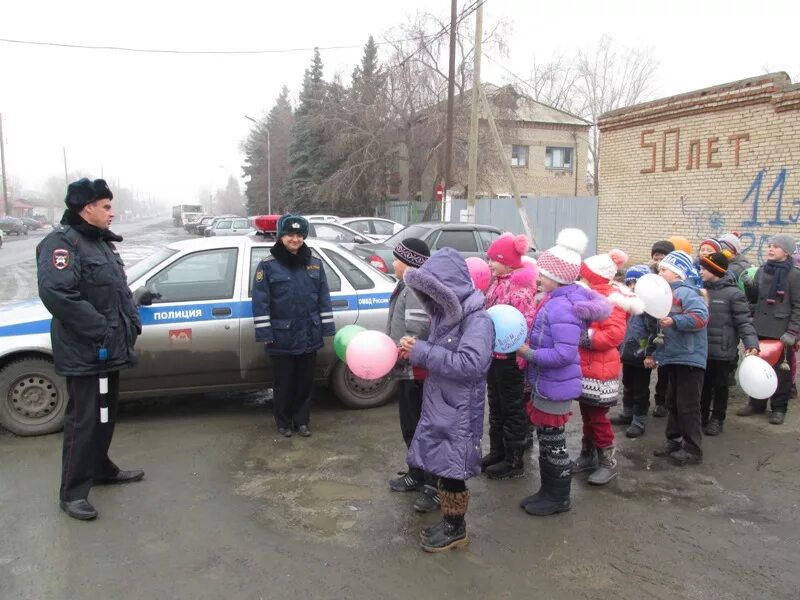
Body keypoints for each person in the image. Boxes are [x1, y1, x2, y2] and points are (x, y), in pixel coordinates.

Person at [36, 178, 143, 521]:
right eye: (106, 206)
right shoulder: (63, 244)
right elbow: (58, 295)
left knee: (105, 415)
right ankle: (72, 492)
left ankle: (101, 469)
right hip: (85, 352)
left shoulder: (99, 244)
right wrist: (101, 330)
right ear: (87, 208)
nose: (112, 212)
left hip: (108, 350)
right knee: (83, 422)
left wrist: (133, 318)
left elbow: (114, 292)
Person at [400, 248, 494, 552]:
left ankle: (456, 528)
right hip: (442, 402)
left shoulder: (477, 321)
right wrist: (418, 346)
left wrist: (422, 352)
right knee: (443, 464)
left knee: (453, 468)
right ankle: (450, 522)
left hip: (460, 408)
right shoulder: (447, 315)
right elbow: (446, 353)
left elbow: (470, 364)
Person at [516, 228, 610, 516]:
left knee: (553, 443)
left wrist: (527, 352)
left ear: (557, 277)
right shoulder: (557, 301)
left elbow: (563, 353)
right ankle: (549, 491)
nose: (538, 278)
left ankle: (558, 498)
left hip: (554, 384)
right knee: (548, 440)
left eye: (542, 273)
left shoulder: (560, 308)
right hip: (550, 383)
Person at [252, 214, 334, 437]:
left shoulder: (315, 265)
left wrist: (326, 328)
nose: (295, 239)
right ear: (281, 237)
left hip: (309, 334)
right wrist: (265, 332)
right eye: (290, 234)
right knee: (284, 384)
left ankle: (302, 421)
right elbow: (260, 303)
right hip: (281, 336)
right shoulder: (267, 266)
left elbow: (323, 299)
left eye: (299, 235)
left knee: (305, 383)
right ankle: (284, 423)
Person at [572, 250, 644, 485]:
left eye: (583, 276)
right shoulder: (589, 295)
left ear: (594, 278)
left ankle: (607, 461)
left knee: (598, 417)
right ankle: (587, 454)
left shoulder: (612, 301)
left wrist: (584, 337)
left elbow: (614, 335)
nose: (580, 279)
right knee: (587, 414)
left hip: (601, 371)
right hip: (587, 367)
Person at [385, 237, 437, 513]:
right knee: (409, 425)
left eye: (396, 259)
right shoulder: (405, 284)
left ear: (410, 262)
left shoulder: (416, 287)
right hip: (407, 370)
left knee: (421, 427)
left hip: (418, 371)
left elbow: (417, 330)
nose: (392, 263)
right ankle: (415, 473)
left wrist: (401, 349)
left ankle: (433, 484)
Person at [482, 233, 538, 480]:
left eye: (494, 259)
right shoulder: (496, 282)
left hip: (510, 359)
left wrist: (519, 354)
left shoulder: (520, 288)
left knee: (512, 409)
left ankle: (514, 460)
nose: (490, 264)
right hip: (493, 356)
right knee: (495, 405)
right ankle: (497, 451)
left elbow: (525, 323)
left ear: (508, 261)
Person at [647, 250, 709, 466]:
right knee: (672, 401)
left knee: (688, 405)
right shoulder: (663, 294)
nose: (660, 272)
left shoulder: (686, 293)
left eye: (664, 269)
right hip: (673, 356)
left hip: (689, 358)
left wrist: (676, 322)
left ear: (678, 273)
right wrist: (655, 353)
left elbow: (701, 318)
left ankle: (693, 449)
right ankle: (673, 441)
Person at [738, 234, 800, 425]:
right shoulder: (762, 271)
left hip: (782, 332)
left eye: (776, 247)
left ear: (787, 251)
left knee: (781, 371)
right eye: (770, 246)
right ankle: (756, 403)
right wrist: (750, 289)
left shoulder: (795, 275)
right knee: (756, 368)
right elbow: (755, 301)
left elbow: (798, 306)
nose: (771, 249)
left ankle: (779, 408)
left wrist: (792, 332)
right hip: (759, 328)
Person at [698, 252, 759, 435]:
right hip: (702, 349)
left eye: (703, 268)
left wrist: (751, 343)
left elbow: (744, 322)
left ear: (714, 269)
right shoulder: (700, 291)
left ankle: (718, 418)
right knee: (703, 386)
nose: (700, 271)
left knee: (721, 386)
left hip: (724, 351)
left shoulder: (734, 294)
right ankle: (701, 416)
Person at [614, 264, 658, 438]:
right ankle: (627, 412)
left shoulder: (649, 308)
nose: (632, 286)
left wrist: (650, 354)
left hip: (642, 354)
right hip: (628, 353)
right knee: (627, 383)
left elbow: (655, 333)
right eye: (630, 282)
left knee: (640, 388)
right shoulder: (628, 303)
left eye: (636, 283)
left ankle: (639, 420)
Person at [648, 240, 674, 418]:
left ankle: (665, 401)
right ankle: (658, 401)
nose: (657, 260)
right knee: (656, 363)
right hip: (653, 325)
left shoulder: (673, 278)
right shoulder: (649, 276)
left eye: (661, 257)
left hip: (669, 325)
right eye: (655, 256)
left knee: (667, 369)